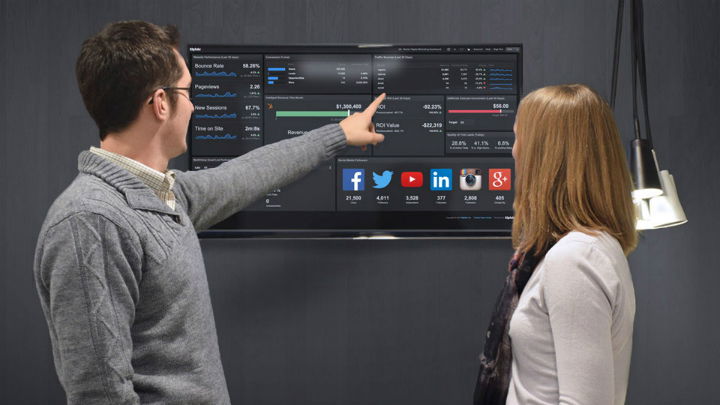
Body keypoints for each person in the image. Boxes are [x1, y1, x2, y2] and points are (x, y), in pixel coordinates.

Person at [33, 21, 385, 404]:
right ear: (161, 103)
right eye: (187, 91)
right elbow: (98, 395)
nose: (194, 104)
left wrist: (339, 134)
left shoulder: (164, 195)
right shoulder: (91, 221)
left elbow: (244, 176)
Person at [474, 84, 638, 405]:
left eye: (520, 137)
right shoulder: (587, 248)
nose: (514, 150)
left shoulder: (574, 258)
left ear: (544, 155)